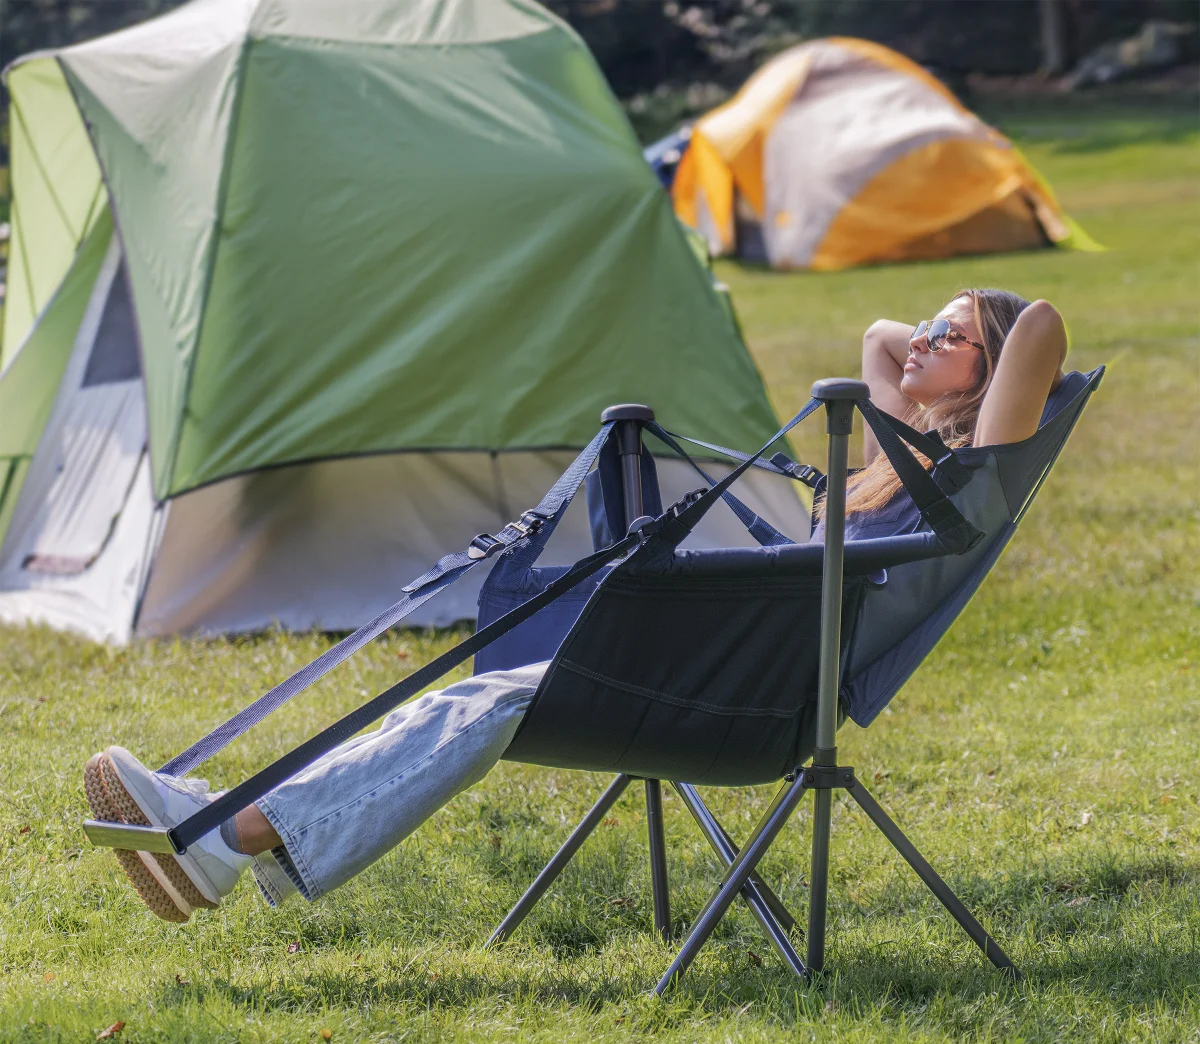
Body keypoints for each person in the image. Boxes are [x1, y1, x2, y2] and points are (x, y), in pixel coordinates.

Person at [84, 288, 1067, 923]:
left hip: (758, 697)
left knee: (488, 701)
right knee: (472, 698)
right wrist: (941, 338)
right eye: (931, 325)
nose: (921, 339)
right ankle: (226, 831)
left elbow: (1043, 330)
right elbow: (880, 335)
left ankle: (230, 838)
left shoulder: (974, 469)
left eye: (953, 337)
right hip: (736, 659)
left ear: (990, 380)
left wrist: (990, 324)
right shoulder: (886, 467)